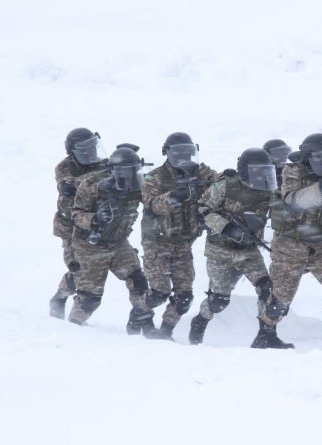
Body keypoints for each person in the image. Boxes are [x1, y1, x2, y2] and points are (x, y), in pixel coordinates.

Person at [254, 133, 322, 353]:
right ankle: (265, 336)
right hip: (290, 247)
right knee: (280, 302)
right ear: (309, 158)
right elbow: (293, 201)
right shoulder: (292, 172)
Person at [187, 148, 277, 345]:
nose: (261, 175)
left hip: (249, 251)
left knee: (266, 288)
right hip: (220, 252)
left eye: (265, 170)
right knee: (219, 301)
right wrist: (227, 228)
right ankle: (200, 322)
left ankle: (266, 335)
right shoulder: (225, 186)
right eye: (256, 171)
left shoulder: (268, 190)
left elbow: (283, 207)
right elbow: (202, 210)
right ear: (244, 171)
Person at [136, 132, 218, 340]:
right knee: (158, 293)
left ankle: (165, 333)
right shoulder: (155, 177)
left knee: (184, 296)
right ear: (167, 153)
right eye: (177, 152)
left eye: (187, 152)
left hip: (183, 242)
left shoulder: (200, 171)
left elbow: (220, 183)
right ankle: (138, 317)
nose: (183, 157)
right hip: (157, 242)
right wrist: (173, 197)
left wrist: (227, 178)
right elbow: (152, 204)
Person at [66, 147, 150, 328]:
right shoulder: (91, 185)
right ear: (111, 171)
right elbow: (76, 215)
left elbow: (154, 196)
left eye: (132, 171)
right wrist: (94, 219)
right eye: (123, 172)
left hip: (119, 242)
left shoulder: (138, 183)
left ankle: (141, 324)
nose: (128, 177)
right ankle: (73, 327)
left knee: (138, 281)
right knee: (90, 299)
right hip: (89, 245)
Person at [49, 128, 108, 319]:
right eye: (85, 148)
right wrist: (101, 176)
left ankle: (76, 313)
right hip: (70, 227)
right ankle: (60, 297)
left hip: (94, 224)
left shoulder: (101, 163)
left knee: (88, 269)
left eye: (92, 146)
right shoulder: (64, 167)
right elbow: (67, 186)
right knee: (78, 268)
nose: (90, 151)